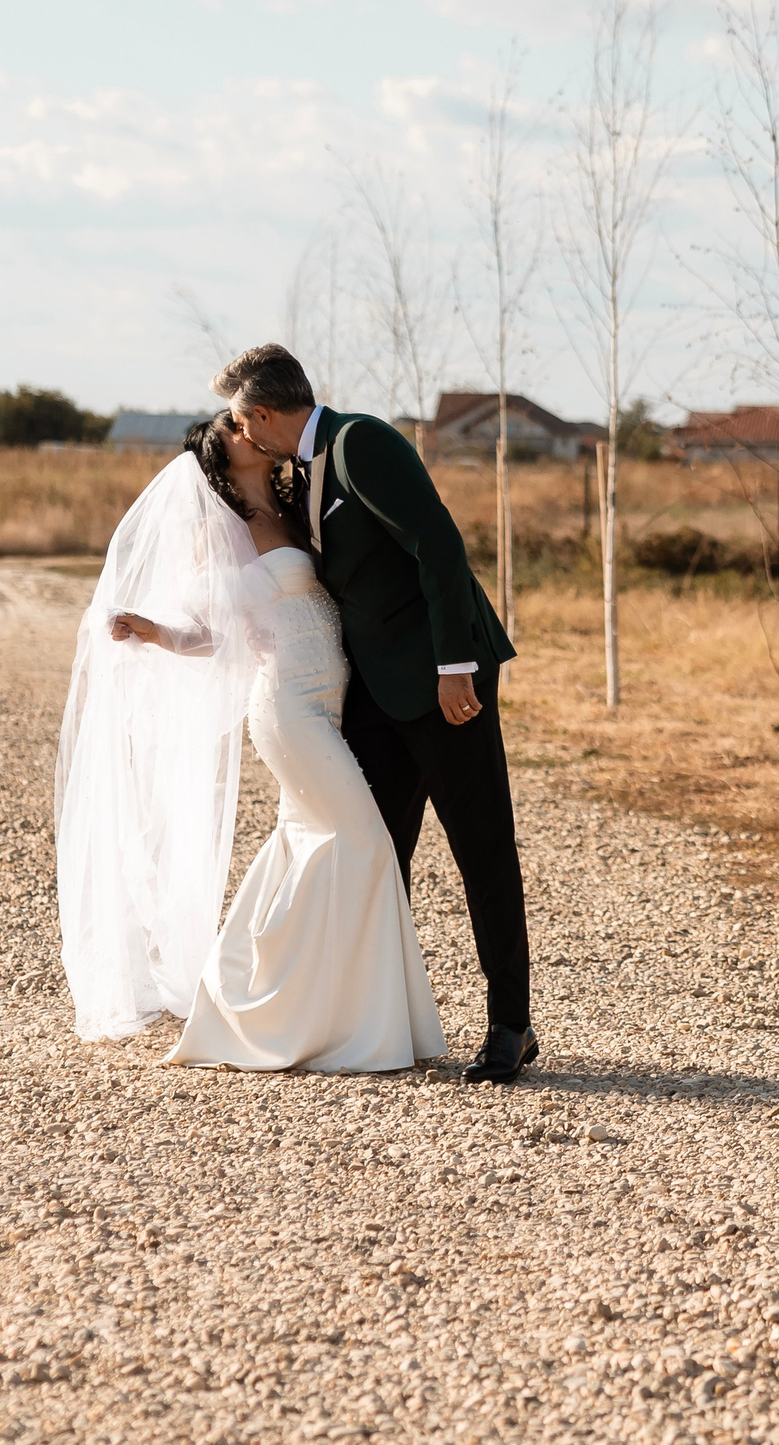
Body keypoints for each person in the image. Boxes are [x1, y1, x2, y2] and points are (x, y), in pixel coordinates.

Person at [54, 417, 444, 1073]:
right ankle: (317, 1017)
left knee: (304, 844)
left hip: (335, 700)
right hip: (287, 706)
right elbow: (216, 631)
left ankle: (274, 1005)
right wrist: (158, 633)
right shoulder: (215, 529)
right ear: (221, 453)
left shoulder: (296, 504)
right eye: (234, 428)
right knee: (365, 841)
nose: (248, 428)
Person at [215, 344, 537, 1085]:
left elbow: (438, 545)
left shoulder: (360, 441)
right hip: (374, 697)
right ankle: (374, 1020)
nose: (241, 433)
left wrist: (454, 666)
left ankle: (510, 1026)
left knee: (481, 847)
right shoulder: (303, 473)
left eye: (241, 420)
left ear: (260, 412)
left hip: (441, 684)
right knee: (373, 852)